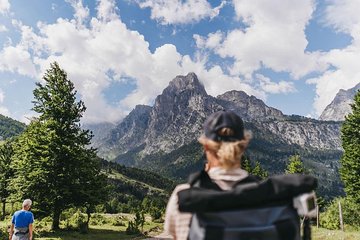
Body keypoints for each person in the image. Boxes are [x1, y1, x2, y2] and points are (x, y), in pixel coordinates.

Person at [164, 110, 252, 240]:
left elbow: (175, 236)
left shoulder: (183, 196)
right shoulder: (267, 194)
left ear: (205, 146)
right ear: (244, 145)